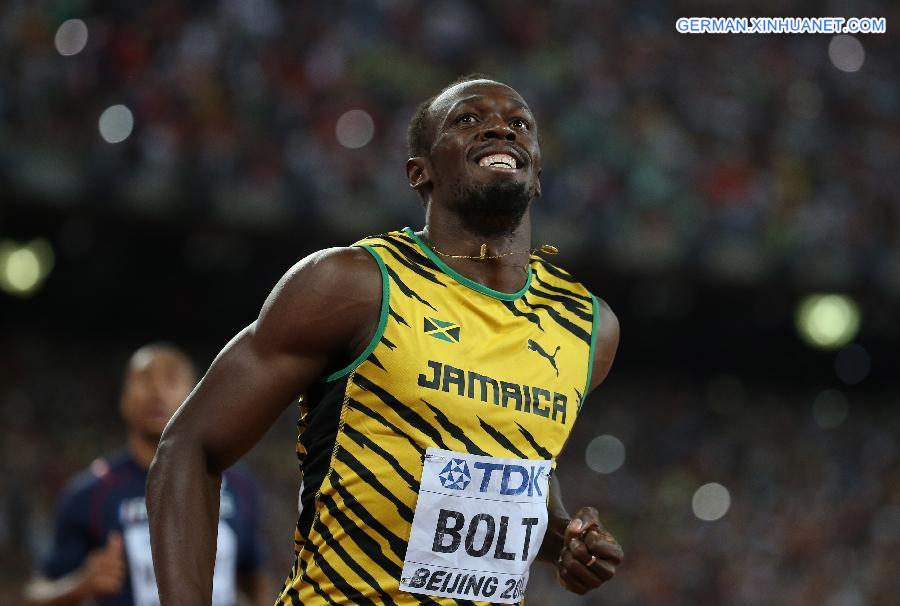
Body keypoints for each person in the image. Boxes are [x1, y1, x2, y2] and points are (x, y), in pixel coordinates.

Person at [148, 74, 624, 605]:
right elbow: (189, 446)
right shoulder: (354, 286)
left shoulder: (586, 326)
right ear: (419, 172)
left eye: (520, 125)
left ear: (536, 174)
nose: (501, 130)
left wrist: (562, 539)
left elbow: (524, 463)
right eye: (468, 120)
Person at [24, 343, 271, 606]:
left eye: (171, 378)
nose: (157, 390)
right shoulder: (91, 492)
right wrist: (80, 584)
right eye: (144, 379)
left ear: (196, 397)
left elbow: (255, 577)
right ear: (123, 398)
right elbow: (34, 594)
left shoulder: (239, 485)